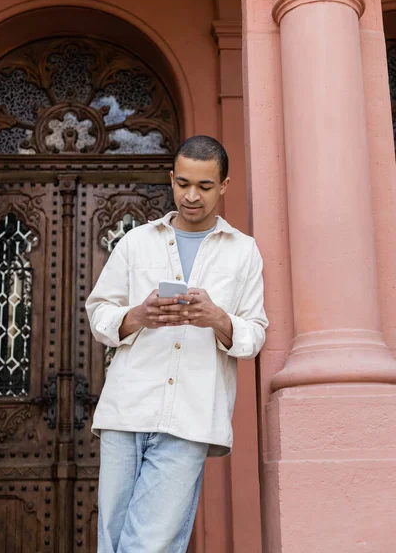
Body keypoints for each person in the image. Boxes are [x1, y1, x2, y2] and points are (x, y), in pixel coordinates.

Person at [86, 135, 269, 553]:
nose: (191, 196)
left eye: (204, 186)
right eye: (183, 183)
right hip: (125, 410)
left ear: (224, 185)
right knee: (113, 541)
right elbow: (99, 312)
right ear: (171, 179)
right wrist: (137, 316)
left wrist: (219, 319)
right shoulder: (136, 242)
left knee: (147, 544)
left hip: (190, 417)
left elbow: (255, 332)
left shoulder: (244, 252)